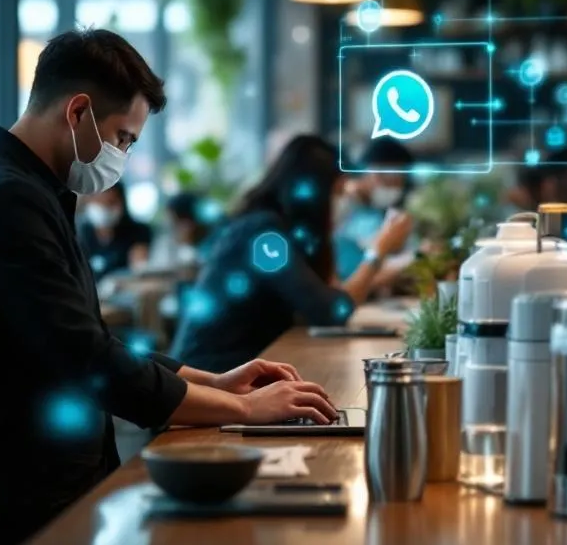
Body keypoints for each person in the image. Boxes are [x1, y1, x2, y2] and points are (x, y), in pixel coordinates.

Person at [0, 28, 336, 545]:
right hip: (3, 499)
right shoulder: (3, 199)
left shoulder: (31, 190)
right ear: (78, 111)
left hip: (34, 488)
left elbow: (81, 337)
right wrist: (243, 407)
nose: (124, 157)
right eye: (122, 138)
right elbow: (85, 360)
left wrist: (210, 381)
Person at [169, 135, 413, 373]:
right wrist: (378, 251)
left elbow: (331, 296)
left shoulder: (282, 232)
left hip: (242, 368)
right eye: (337, 192)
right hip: (209, 378)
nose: (341, 202)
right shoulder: (264, 236)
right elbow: (330, 313)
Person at [335, 137, 414, 281]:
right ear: (364, 171)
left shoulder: (379, 213)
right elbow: (355, 275)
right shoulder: (341, 209)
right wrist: (409, 260)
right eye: (384, 177)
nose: (391, 185)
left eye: (398, 180)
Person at [77, 179, 153, 278]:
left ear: (122, 203)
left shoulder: (138, 232)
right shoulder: (81, 234)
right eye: (99, 202)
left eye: (110, 202)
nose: (104, 208)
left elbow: (139, 270)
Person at [165, 191, 215, 262]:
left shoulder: (212, 253)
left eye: (173, 224)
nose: (173, 231)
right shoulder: (215, 243)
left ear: (187, 224)